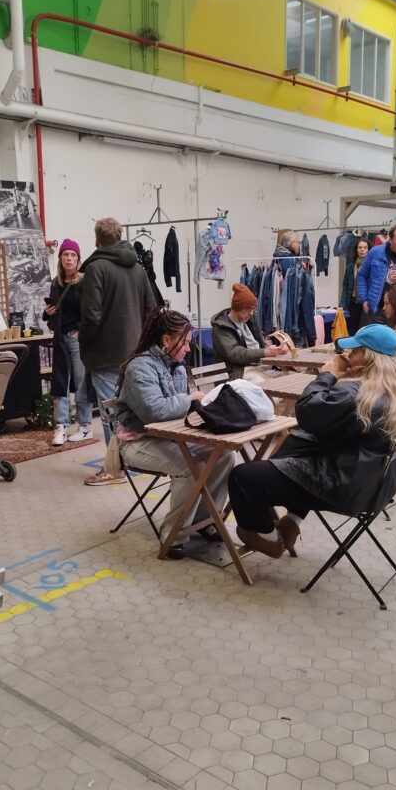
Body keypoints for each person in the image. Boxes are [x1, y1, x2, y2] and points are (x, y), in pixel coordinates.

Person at [227, 324, 396, 558]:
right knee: (301, 455)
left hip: (343, 489)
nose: (347, 356)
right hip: (376, 490)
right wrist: (380, 475)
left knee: (242, 477)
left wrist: (328, 375)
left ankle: (269, 540)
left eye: (354, 351)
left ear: (368, 357)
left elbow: (307, 412)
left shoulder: (357, 396)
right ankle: (291, 523)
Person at [116, 308, 234, 559]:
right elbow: (155, 411)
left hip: (169, 438)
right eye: (185, 342)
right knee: (190, 467)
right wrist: (190, 399)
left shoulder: (177, 368)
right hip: (138, 442)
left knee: (224, 455)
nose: (189, 348)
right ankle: (174, 534)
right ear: (166, 339)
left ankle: (204, 519)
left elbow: (177, 413)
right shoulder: (140, 367)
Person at [80, 216, 156, 485]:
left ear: (97, 240)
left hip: (105, 352)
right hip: (135, 351)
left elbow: (91, 315)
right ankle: (134, 459)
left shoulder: (96, 268)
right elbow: (151, 308)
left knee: (110, 413)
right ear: (120, 236)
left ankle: (114, 468)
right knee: (129, 409)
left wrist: (83, 339)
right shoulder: (137, 268)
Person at [43, 239, 93, 447]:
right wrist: (47, 313)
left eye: (73, 255)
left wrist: (82, 331)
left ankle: (85, 426)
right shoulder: (56, 283)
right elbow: (55, 311)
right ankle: (61, 426)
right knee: (60, 383)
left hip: (77, 338)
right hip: (60, 338)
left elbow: (92, 310)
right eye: (65, 254)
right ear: (60, 258)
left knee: (81, 383)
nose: (69, 259)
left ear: (78, 259)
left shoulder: (84, 282)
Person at [211, 284, 286, 381]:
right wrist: (264, 352)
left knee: (289, 377)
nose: (251, 313)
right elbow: (234, 353)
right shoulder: (221, 327)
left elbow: (259, 345)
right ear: (238, 307)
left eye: (253, 309)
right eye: (248, 309)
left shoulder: (250, 321)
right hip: (238, 372)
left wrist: (276, 350)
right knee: (262, 383)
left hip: (260, 366)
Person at [340, 238, 370, 334]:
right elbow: (345, 287)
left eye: (365, 247)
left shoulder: (371, 266)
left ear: (369, 250)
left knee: (365, 330)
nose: (362, 250)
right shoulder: (350, 267)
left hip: (366, 303)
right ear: (356, 250)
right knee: (353, 330)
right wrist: (342, 305)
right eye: (360, 247)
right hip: (353, 303)